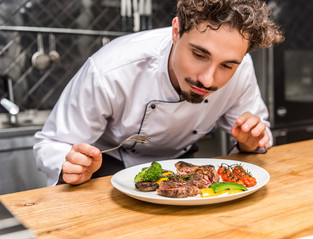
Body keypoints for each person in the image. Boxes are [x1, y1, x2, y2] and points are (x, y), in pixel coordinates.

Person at [33, 0, 284, 186]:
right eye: (199, 55)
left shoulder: (241, 69)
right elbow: (51, 144)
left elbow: (257, 136)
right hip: (106, 169)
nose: (208, 78)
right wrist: (73, 163)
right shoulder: (111, 69)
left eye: (227, 65)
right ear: (176, 32)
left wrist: (250, 140)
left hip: (183, 166)